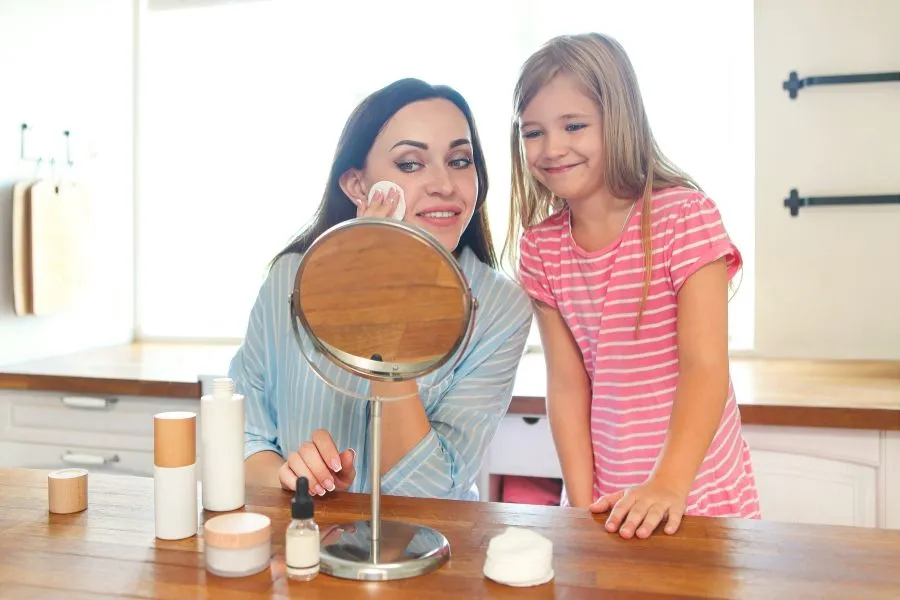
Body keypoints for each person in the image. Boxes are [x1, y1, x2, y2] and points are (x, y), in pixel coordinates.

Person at [504, 33, 761, 538]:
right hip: (607, 499)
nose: (552, 148)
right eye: (533, 132)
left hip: (697, 491)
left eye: (573, 125)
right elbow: (567, 385)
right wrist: (581, 505)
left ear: (617, 119)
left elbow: (705, 368)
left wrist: (668, 484)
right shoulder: (541, 248)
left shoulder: (685, 217)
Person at [230, 78, 533, 501]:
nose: (444, 184)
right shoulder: (289, 279)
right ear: (356, 185)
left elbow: (430, 493)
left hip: (431, 550)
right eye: (410, 164)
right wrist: (296, 478)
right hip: (305, 544)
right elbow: (244, 438)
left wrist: (386, 302)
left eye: (460, 161)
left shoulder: (501, 308)